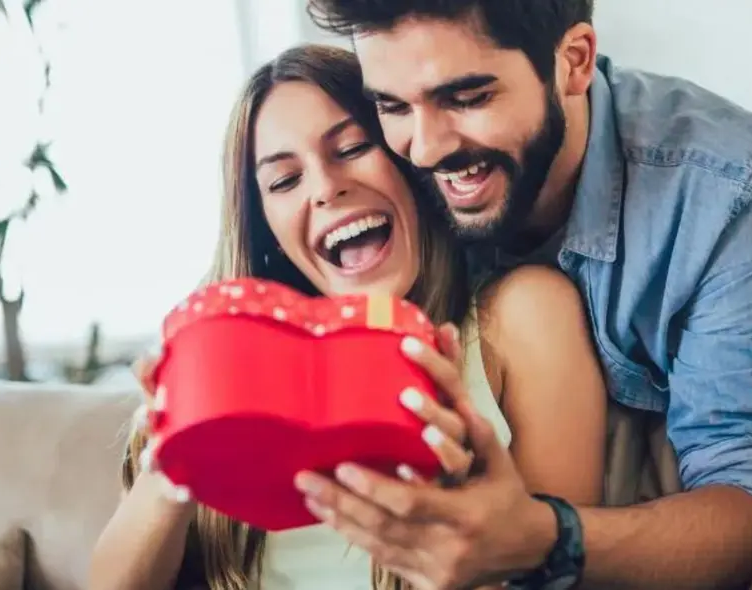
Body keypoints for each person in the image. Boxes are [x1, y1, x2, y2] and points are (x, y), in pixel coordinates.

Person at [296, 1, 752, 589]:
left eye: (467, 98)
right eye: (392, 104)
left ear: (573, 62)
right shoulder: (382, 166)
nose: (424, 149)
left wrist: (541, 537)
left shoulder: (721, 181)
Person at [87, 44, 607, 590]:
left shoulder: (522, 314)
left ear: (409, 159)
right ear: (268, 232)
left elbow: (561, 575)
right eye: (285, 181)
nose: (325, 187)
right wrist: (174, 461)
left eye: (353, 147)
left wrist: (465, 527)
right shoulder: (245, 371)